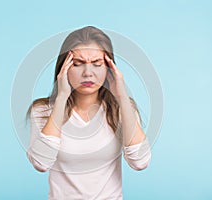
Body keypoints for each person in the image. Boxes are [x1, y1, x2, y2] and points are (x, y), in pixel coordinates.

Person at [26, 26, 151, 200]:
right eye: (77, 64)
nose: (88, 73)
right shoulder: (42, 111)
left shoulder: (121, 109)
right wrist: (61, 97)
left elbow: (140, 162)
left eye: (97, 64)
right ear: (64, 68)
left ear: (109, 68)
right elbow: (41, 163)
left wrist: (122, 97)